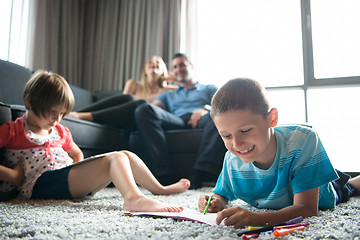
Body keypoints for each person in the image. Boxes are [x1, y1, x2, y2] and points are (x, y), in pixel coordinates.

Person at [0, 70, 189, 212]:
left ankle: (159, 188)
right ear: (30, 101)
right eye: (52, 113)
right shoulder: (13, 130)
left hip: (65, 178)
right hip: (41, 184)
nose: (57, 119)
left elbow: (76, 153)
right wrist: (12, 177)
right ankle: (133, 198)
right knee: (115, 159)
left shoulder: (59, 130)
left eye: (62, 114)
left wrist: (80, 172)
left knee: (125, 155)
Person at [197, 78, 360, 228]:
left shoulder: (303, 140)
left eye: (245, 130)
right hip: (287, 183)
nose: (237, 144)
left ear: (272, 119)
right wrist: (212, 201)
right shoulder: (232, 158)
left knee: (349, 186)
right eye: (226, 136)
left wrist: (257, 218)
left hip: (320, 185)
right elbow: (221, 194)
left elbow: (308, 209)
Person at [134, 53, 227, 188]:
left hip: (203, 118)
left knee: (219, 114)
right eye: (175, 67)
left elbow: (224, 104)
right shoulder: (168, 93)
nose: (179, 69)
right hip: (177, 120)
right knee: (143, 110)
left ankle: (201, 172)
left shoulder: (208, 88)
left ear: (191, 66)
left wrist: (205, 109)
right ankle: (165, 174)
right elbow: (151, 108)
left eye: (182, 64)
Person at [69, 56, 176, 129]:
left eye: (158, 63)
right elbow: (122, 105)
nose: (154, 63)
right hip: (122, 117)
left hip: (143, 122)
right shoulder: (134, 84)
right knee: (128, 98)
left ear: (164, 70)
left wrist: (175, 78)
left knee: (141, 104)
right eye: (150, 63)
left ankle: (81, 116)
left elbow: (187, 88)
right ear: (145, 71)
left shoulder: (170, 90)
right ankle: (75, 113)